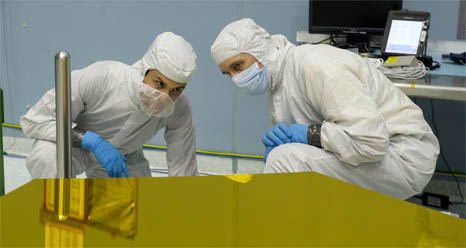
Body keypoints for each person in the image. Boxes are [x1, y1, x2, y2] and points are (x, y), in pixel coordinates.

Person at [210, 18, 439, 200]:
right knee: (284, 159)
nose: (236, 78)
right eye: (228, 73)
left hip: (404, 156)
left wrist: (306, 135)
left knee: (285, 160)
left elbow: (370, 141)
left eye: (238, 66)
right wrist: (289, 140)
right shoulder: (280, 80)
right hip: (374, 154)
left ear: (259, 50)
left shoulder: (316, 63)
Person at [21, 32, 199, 178]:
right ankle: (54, 215)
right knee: (46, 157)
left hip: (122, 158)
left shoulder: (180, 107)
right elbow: (35, 122)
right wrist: (91, 141)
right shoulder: (101, 78)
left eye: (176, 90)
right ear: (145, 69)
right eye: (159, 83)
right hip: (73, 148)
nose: (164, 98)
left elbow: (183, 167)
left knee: (140, 208)